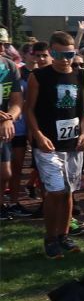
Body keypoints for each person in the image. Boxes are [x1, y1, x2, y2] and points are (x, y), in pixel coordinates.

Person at [24, 31, 84, 258]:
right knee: (55, 191)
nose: (65, 59)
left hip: (73, 144)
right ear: (51, 52)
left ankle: (64, 235)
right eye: (59, 54)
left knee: (69, 191)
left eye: (70, 54)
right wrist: (38, 135)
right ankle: (50, 238)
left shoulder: (82, 76)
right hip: (48, 145)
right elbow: (29, 109)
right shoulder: (39, 76)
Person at [0, 26, 23, 221]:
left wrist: (8, 118)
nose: (2, 48)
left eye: (5, 44)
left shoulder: (9, 67)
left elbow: (17, 102)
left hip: (2, 127)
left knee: (5, 172)